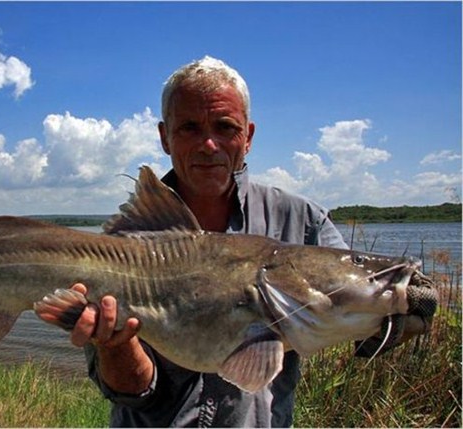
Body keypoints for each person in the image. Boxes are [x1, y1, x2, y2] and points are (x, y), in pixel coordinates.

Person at [57, 56, 412, 427]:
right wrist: (115, 345)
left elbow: (359, 312)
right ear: (165, 137)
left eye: (225, 127)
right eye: (190, 128)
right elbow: (133, 391)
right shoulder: (125, 244)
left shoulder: (302, 221)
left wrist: (405, 311)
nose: (209, 144)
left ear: (248, 136)